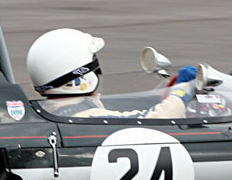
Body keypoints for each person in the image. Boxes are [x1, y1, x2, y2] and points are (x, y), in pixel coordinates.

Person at [26, 28, 197, 119]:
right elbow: (153, 119)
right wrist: (185, 91)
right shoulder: (87, 117)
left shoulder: (56, 110)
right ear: (82, 76)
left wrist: (164, 92)